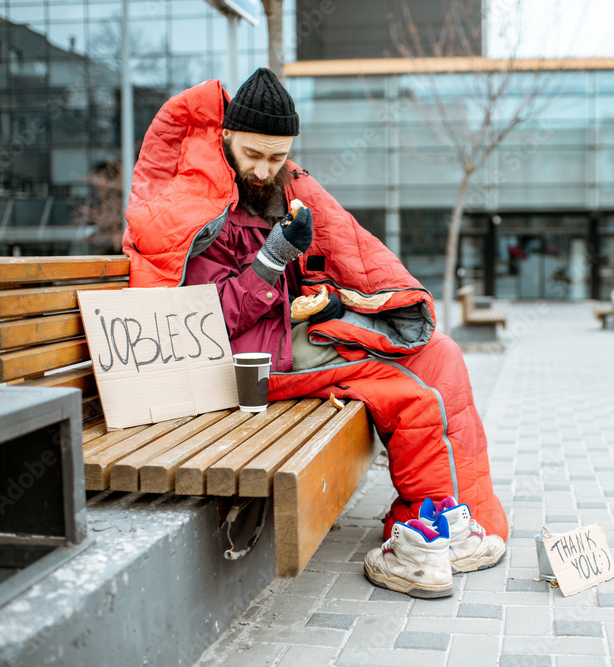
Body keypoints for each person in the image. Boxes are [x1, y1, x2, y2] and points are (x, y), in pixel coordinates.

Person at [122, 68, 508, 598]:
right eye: (253, 155)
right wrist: (275, 256)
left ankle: (452, 517)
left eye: (277, 158)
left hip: (284, 336)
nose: (263, 170)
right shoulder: (196, 208)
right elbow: (208, 322)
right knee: (409, 394)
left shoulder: (274, 190)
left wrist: (322, 293)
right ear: (226, 137)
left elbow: (293, 280)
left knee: (440, 353)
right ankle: (424, 540)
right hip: (244, 369)